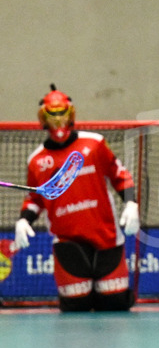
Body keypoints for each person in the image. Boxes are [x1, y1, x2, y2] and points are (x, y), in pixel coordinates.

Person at [13, 85, 141, 312]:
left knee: (115, 304)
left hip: (106, 237)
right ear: (43, 119)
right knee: (76, 306)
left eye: (62, 115)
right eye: (52, 117)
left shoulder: (95, 143)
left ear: (71, 115)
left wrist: (131, 202)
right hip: (68, 244)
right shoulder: (36, 160)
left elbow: (120, 175)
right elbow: (35, 198)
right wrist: (24, 220)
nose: (58, 122)